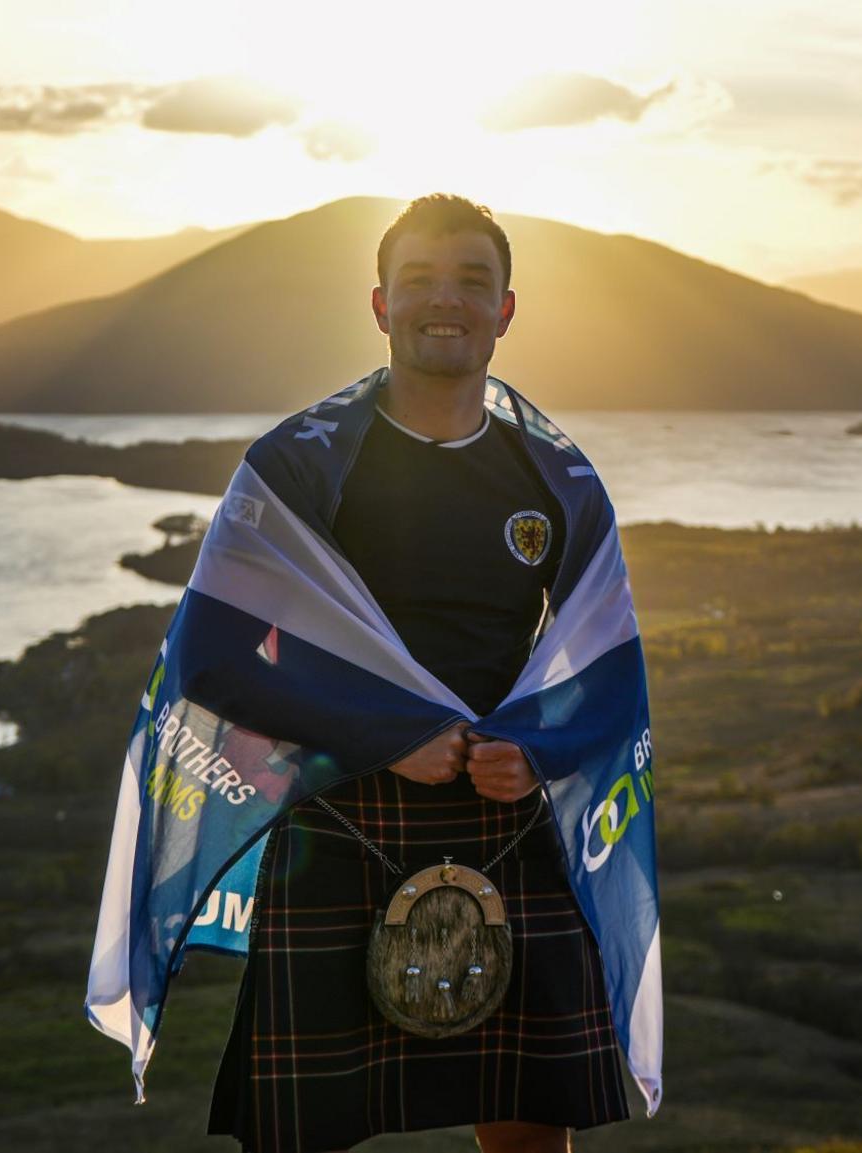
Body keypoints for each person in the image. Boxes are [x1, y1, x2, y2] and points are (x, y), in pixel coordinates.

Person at [205, 195, 631, 1153]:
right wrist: (385, 741)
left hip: (507, 823)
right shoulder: (298, 465)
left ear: (508, 309)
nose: (448, 302)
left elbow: (610, 677)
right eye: (421, 283)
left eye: (473, 283)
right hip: (342, 818)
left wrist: (540, 752)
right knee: (301, 1133)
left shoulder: (558, 480)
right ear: (378, 305)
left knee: (531, 1138)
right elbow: (211, 658)